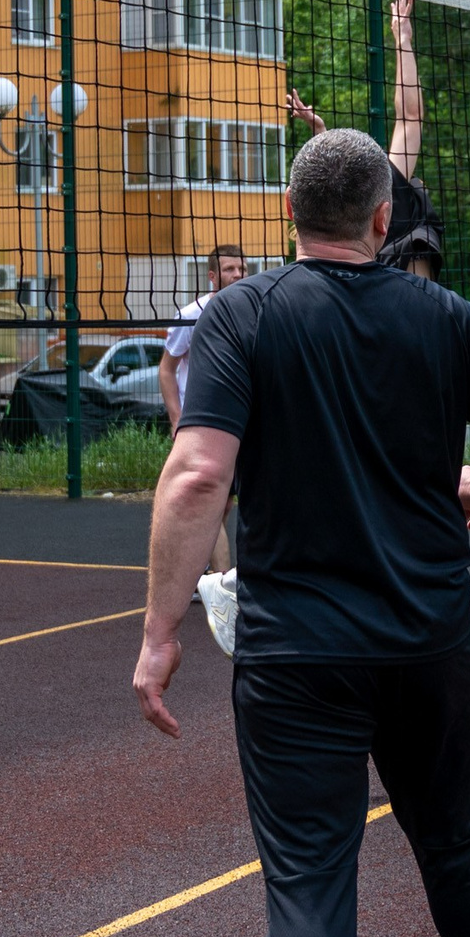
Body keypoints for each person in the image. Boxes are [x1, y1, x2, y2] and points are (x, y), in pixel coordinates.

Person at [133, 127, 470, 937]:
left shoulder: (240, 313)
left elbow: (195, 476)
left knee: (309, 886)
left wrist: (160, 632)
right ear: (382, 217)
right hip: (425, 640)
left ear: (289, 215)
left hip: (296, 654)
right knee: (455, 844)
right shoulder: (446, 314)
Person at [285, 0, 443, 281]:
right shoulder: (331, 229)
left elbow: (410, 117)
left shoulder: (389, 195)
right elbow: (410, 117)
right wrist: (401, 40)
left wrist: (402, 40)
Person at [160, 241, 249, 656]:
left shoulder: (252, 308)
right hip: (202, 427)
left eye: (241, 267)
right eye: (229, 269)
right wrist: (178, 419)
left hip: (240, 423)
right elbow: (167, 368)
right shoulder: (192, 316)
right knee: (207, 503)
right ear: (213, 276)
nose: (237, 274)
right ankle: (221, 580)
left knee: (223, 506)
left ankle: (210, 577)